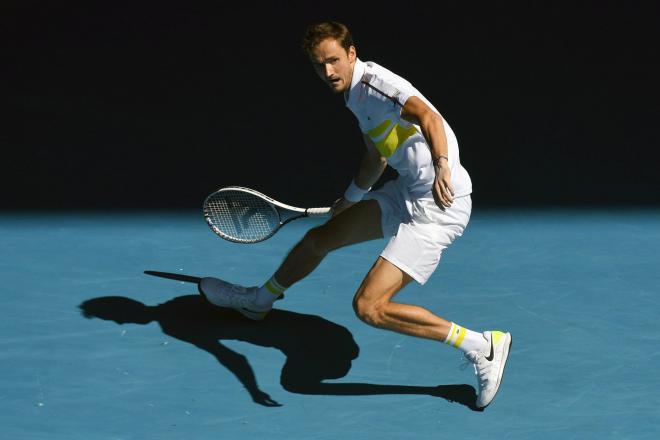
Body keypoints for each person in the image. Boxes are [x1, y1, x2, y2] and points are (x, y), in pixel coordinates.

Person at [199, 21, 511, 409]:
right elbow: (376, 154)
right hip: (406, 191)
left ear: (351, 54)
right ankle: (259, 301)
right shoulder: (353, 97)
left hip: (438, 205)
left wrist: (443, 165)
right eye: (318, 65)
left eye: (333, 60)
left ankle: (482, 345)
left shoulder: (377, 84)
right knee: (319, 239)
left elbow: (428, 117)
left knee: (369, 307)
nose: (328, 72)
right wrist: (350, 198)